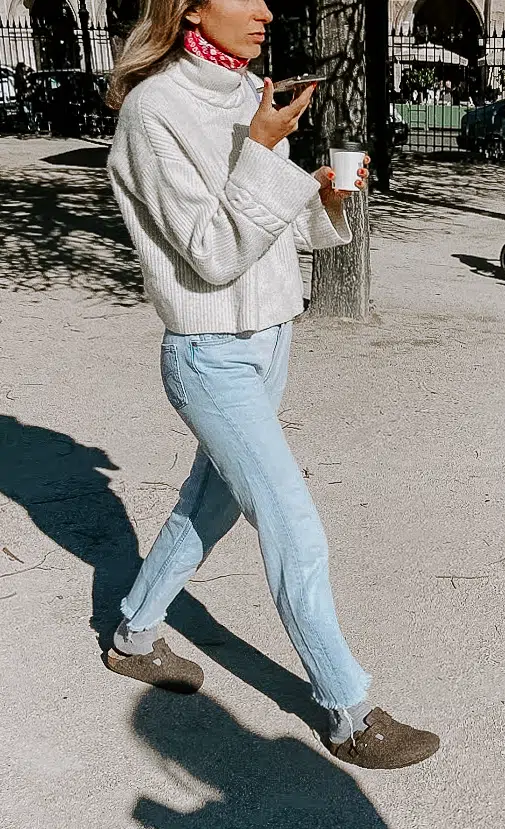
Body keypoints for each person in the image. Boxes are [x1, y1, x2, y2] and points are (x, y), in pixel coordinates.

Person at [105, 0, 440, 770]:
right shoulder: (155, 112)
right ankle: (348, 708)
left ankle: (133, 635)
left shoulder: (244, 91)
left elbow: (271, 225)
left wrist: (316, 201)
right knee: (291, 519)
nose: (264, 9)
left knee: (208, 504)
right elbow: (211, 252)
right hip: (208, 353)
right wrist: (261, 151)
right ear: (188, 8)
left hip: (269, 339)